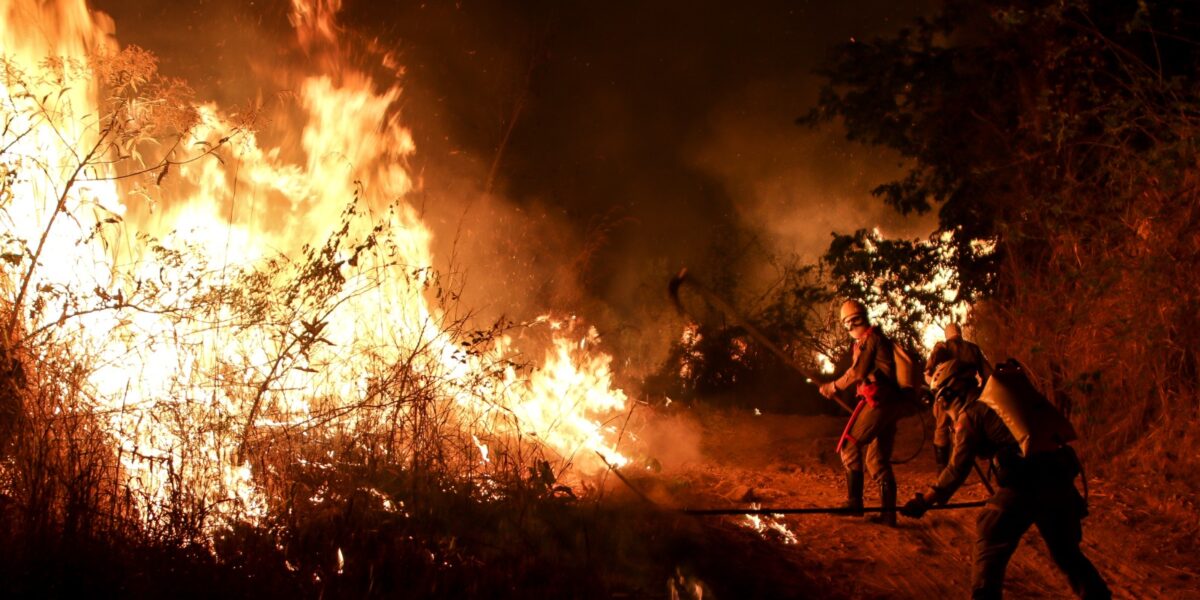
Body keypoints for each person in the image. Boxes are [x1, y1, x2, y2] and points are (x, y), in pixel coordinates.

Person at [900, 360, 1110, 599]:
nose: (940, 403)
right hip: (1059, 481)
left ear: (950, 390)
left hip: (1025, 484)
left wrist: (924, 501)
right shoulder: (997, 406)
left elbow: (957, 469)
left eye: (940, 396)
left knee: (990, 535)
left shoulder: (971, 415)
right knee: (1067, 553)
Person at [819, 299, 904, 526]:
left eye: (850, 322)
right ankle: (888, 515)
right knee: (877, 460)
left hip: (879, 403)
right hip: (889, 403)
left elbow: (857, 372)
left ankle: (854, 503)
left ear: (854, 321)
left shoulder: (871, 339)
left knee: (850, 445)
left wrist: (833, 386)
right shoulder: (875, 339)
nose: (849, 327)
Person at [925, 323, 993, 469]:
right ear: (960, 333)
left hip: (947, 395)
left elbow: (929, 369)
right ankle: (961, 465)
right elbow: (988, 374)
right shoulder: (973, 349)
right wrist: (982, 392)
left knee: (941, 429)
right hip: (970, 395)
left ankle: (942, 470)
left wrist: (932, 380)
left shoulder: (943, 347)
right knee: (966, 427)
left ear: (947, 334)